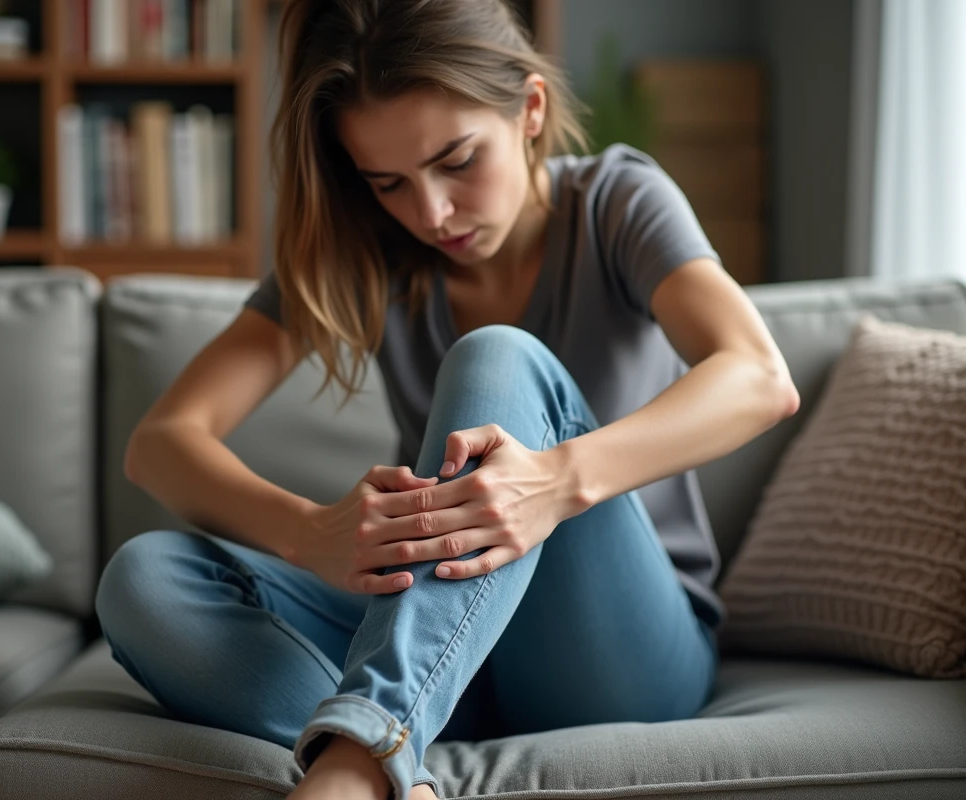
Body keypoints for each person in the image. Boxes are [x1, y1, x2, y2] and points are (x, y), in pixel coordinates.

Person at [95, 1, 801, 799]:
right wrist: (306, 532)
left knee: (497, 354)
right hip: (443, 648)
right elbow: (161, 442)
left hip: (620, 655)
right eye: (388, 183)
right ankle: (405, 771)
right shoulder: (370, 253)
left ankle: (362, 762)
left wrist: (558, 480)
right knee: (144, 579)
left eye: (459, 160)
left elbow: (758, 376)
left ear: (530, 109)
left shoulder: (617, 202)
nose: (431, 214)